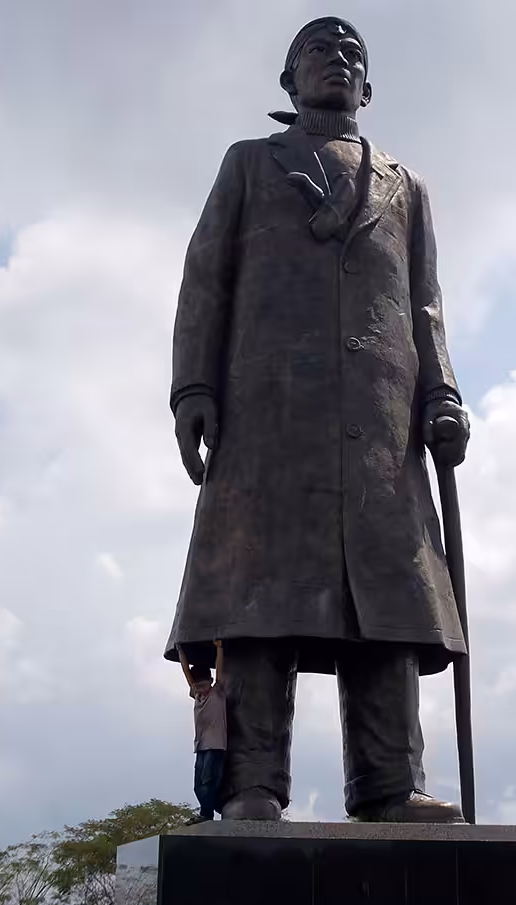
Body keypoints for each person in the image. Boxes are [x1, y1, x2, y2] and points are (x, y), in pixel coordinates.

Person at [164, 16, 471, 823]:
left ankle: (388, 783)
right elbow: (205, 282)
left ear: (367, 87)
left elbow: (425, 304)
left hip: (379, 424)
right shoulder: (248, 165)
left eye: (352, 56)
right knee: (260, 600)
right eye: (317, 53)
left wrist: (441, 392)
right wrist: (192, 386)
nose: (337, 62)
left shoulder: (406, 185)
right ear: (288, 82)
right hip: (267, 417)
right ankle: (252, 783)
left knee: (388, 602)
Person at [180, 640, 226, 822]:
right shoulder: (196, 695)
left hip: (215, 745)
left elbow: (219, 668)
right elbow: (186, 672)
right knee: (197, 785)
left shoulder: (217, 693)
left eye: (203, 686)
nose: (199, 690)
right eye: (196, 686)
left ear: (211, 682)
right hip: (200, 745)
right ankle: (209, 810)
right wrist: (181, 651)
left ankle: (207, 814)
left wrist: (219, 649)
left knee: (208, 781)